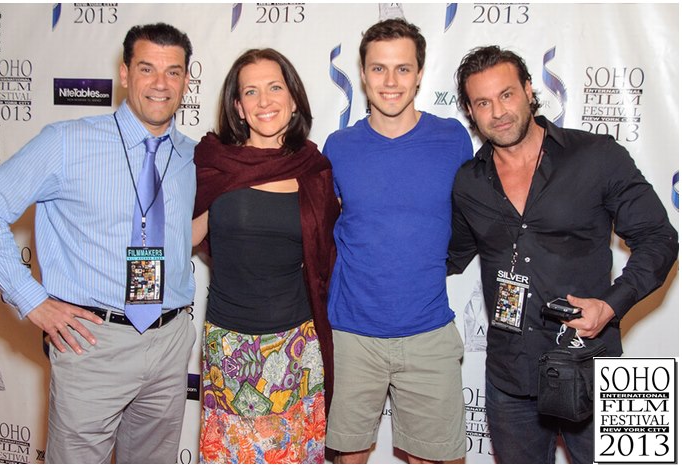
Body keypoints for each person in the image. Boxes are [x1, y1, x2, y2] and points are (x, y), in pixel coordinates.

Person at [449, 45, 678, 463]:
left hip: (593, 366)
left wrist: (611, 305)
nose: (498, 111)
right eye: (483, 102)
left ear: (529, 91)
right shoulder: (469, 182)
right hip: (509, 378)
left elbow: (659, 238)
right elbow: (447, 254)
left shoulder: (596, 156)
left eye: (507, 95)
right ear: (469, 109)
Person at [0, 23, 197, 463]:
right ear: (124, 74)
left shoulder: (194, 156)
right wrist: (33, 301)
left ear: (187, 81)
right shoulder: (66, 142)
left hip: (171, 342)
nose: (160, 84)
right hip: (92, 342)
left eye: (173, 72)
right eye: (147, 69)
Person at [323, 19, 473, 464]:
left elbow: (475, 220)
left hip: (428, 330)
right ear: (363, 73)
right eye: (379, 69)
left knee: (435, 459)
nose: (391, 82)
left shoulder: (452, 139)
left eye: (403, 69)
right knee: (347, 457)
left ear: (421, 73)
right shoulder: (338, 146)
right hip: (351, 335)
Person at [191, 48, 339, 464]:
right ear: (238, 107)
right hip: (230, 346)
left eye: (275, 87)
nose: (264, 101)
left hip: (297, 346)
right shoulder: (215, 163)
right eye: (250, 92)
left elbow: (328, 260)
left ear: (293, 98)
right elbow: (185, 236)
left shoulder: (315, 169)